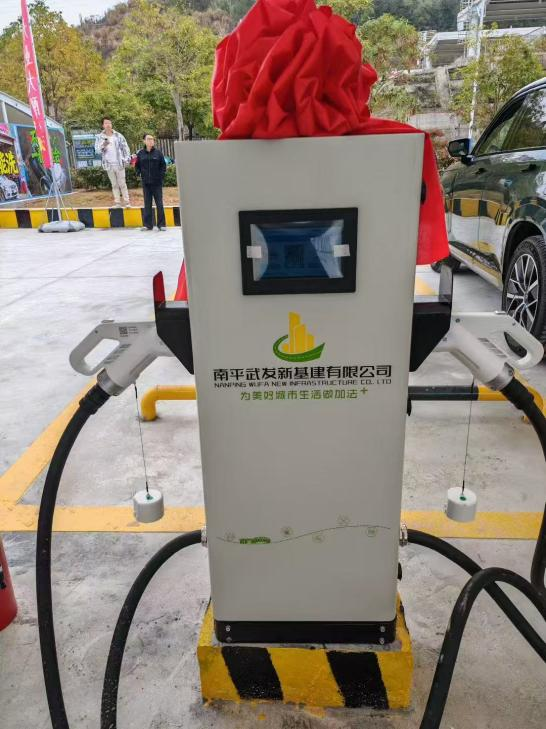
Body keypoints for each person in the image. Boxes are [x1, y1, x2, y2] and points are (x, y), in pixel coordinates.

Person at [94, 117, 131, 208]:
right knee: (114, 184)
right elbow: (97, 151)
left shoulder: (118, 135)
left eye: (109, 123)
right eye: (106, 123)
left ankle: (127, 202)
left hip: (119, 163)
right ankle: (117, 203)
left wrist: (126, 159)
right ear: (103, 125)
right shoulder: (99, 137)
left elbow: (125, 148)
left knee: (122, 184)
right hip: (108, 165)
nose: (108, 125)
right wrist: (103, 145)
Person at [135, 133, 167, 231]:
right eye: (148, 139)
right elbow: (137, 166)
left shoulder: (158, 153)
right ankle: (148, 225)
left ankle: (161, 225)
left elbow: (163, 166)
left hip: (157, 183)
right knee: (147, 204)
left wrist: (160, 177)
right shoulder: (140, 154)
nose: (151, 141)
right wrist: (139, 174)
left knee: (159, 204)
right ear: (144, 141)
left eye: (152, 139)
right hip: (146, 183)